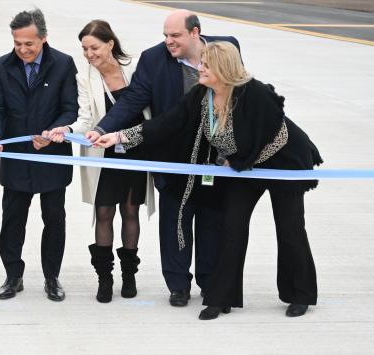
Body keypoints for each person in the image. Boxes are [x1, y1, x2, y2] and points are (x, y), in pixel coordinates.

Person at [97, 41, 321, 320]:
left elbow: (270, 135)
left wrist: (240, 161)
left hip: (282, 161)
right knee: (231, 227)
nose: (199, 68)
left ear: (222, 69)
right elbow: (167, 123)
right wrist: (119, 137)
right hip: (244, 166)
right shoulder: (202, 95)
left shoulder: (255, 93)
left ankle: (299, 294)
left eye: (205, 65)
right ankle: (221, 297)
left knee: (289, 228)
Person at [87, 9, 238, 307]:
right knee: (175, 223)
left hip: (214, 160)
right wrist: (104, 128)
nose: (168, 41)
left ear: (195, 33)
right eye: (165, 36)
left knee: (211, 223)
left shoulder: (226, 49)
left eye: (175, 35)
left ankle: (209, 283)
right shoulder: (153, 59)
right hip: (173, 157)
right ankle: (178, 285)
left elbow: (239, 92)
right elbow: (133, 100)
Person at [46, 20, 154, 302]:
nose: (89, 54)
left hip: (135, 150)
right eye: (84, 49)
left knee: (131, 212)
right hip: (103, 154)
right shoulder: (85, 78)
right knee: (104, 214)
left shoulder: (135, 68)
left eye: (94, 47)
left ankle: (129, 275)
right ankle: (104, 278)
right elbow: (85, 120)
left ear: (110, 44)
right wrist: (67, 131)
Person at [0, 9, 78, 302]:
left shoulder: (63, 64)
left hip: (52, 156)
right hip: (16, 157)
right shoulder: (1, 66)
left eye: (29, 44)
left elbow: (70, 108)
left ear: (44, 38)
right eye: (17, 44)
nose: (23, 50)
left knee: (54, 219)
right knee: (12, 219)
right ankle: (13, 275)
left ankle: (52, 278)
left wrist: (53, 131)